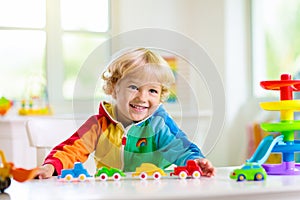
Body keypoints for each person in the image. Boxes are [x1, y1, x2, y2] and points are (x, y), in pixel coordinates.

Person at [36, 47, 215, 179]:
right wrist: (51, 166)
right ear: (114, 88)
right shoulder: (98, 125)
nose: (142, 97)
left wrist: (196, 161)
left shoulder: (159, 124)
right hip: (111, 191)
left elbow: (181, 149)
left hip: (156, 191)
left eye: (152, 91)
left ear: (161, 96)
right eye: (133, 87)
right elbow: (71, 150)